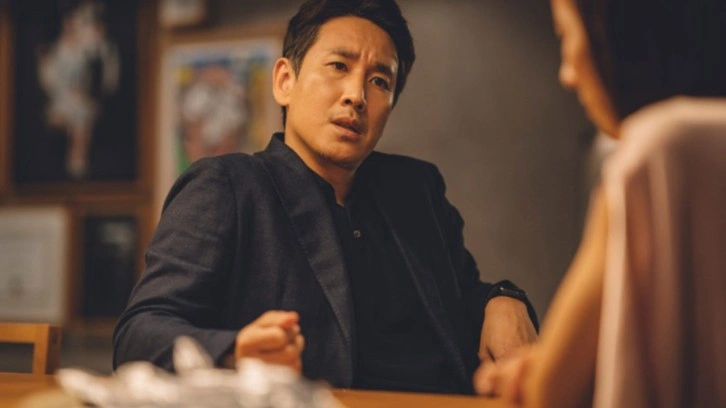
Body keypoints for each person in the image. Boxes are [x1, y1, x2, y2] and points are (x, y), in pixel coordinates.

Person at [114, 0, 538, 395]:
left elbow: (467, 299)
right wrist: (232, 351)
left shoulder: (416, 190)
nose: (356, 95)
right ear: (285, 81)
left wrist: (505, 298)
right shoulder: (228, 186)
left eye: (379, 81)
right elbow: (139, 334)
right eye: (338, 66)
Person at [474, 0, 726, 406]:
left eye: (566, 37)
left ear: (621, 37)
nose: (568, 74)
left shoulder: (657, 152)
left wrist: (537, 373)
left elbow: (550, 391)